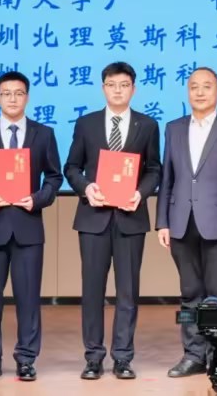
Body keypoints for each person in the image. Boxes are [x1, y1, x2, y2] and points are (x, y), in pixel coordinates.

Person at [0, 71, 63, 383]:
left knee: (29, 299)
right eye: (6, 93)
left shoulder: (43, 134)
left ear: (27, 97)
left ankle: (27, 359)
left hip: (28, 227)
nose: (13, 99)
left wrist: (38, 199)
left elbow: (54, 177)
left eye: (18, 93)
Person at [63, 62, 162, 381]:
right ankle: (93, 357)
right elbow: (71, 167)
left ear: (134, 89)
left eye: (124, 85)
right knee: (92, 291)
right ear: (103, 88)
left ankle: (123, 357)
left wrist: (141, 193)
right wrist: (86, 188)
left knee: (128, 292)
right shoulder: (86, 124)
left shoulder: (148, 125)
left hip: (130, 218)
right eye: (111, 84)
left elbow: (154, 169)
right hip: (93, 218)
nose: (117, 90)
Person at [156, 66, 217, 380]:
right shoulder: (173, 129)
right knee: (189, 295)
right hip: (181, 223)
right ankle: (193, 355)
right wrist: (162, 222)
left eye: (206, 86)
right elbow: (167, 179)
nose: (199, 92)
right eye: (194, 86)